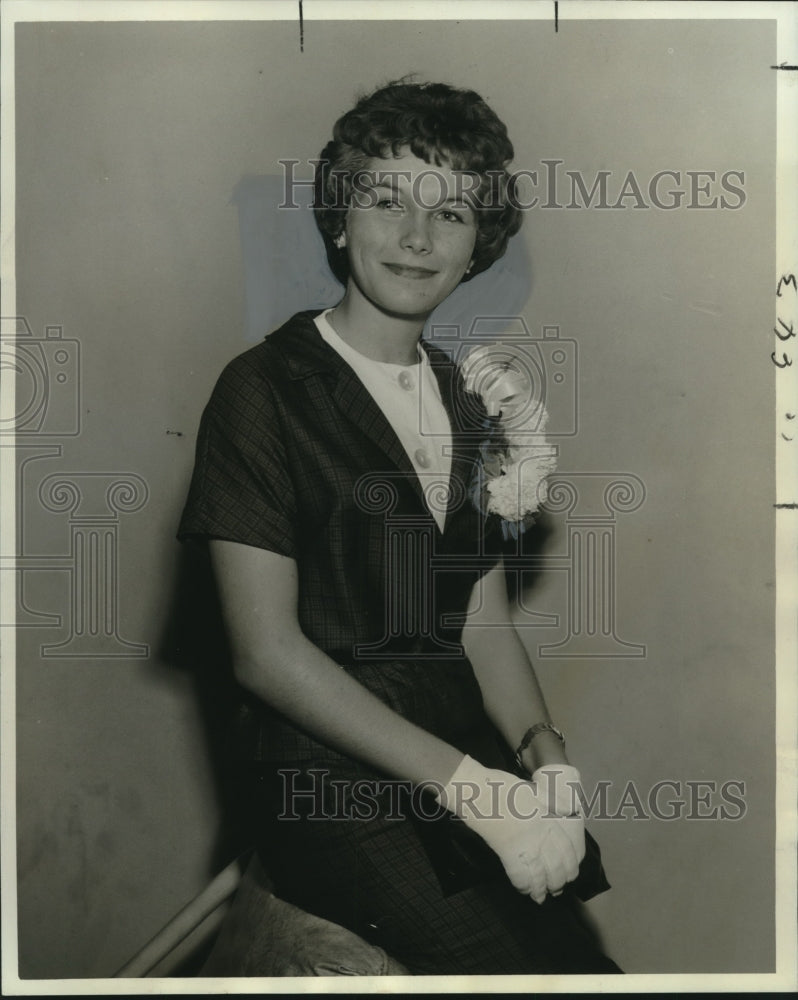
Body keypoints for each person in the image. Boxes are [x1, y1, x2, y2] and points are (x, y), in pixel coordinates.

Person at [178, 79, 620, 976]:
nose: (418, 238)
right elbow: (265, 653)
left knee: (593, 974)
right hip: (329, 786)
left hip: (468, 765)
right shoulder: (261, 392)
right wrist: (473, 793)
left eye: (450, 212)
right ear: (340, 219)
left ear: (477, 248)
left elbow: (480, 620)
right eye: (388, 202)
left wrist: (547, 761)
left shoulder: (471, 403)